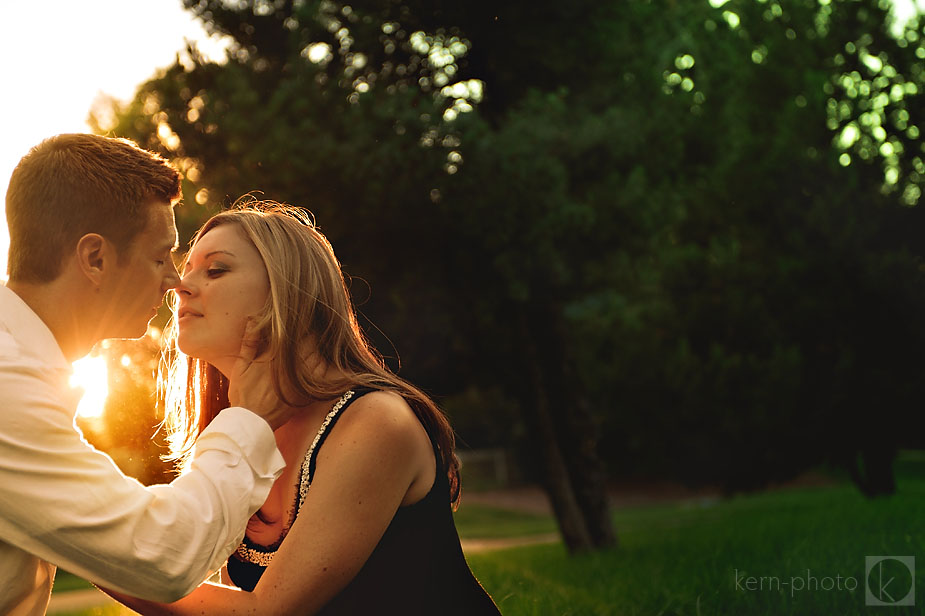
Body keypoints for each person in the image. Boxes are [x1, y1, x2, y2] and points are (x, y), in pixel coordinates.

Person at [105, 202, 501, 614]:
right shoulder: (238, 433)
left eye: (216, 269)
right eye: (187, 272)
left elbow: (266, 611)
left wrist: (85, 545)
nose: (181, 287)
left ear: (288, 290)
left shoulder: (374, 423)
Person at [0, 134, 297, 616]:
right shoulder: (7, 388)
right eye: (161, 257)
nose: (176, 281)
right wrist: (247, 419)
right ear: (94, 258)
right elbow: (162, 556)